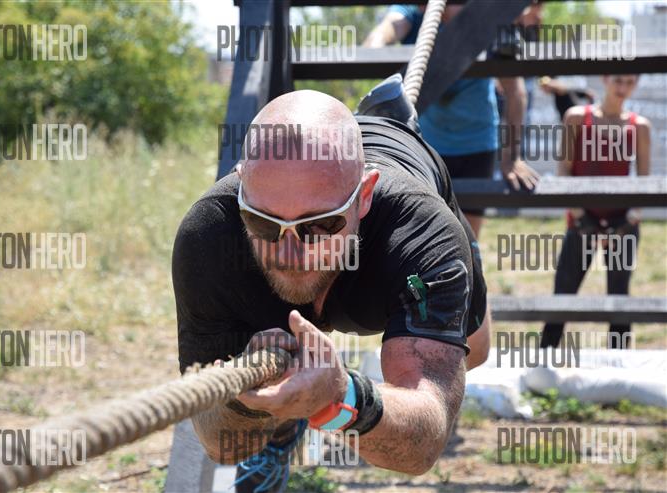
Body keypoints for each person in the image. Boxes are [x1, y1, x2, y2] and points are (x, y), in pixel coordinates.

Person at [173, 85, 491, 492]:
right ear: (241, 187)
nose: (290, 253)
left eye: (320, 225)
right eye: (263, 222)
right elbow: (218, 442)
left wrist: (340, 398)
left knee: (475, 349)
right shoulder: (210, 232)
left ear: (364, 197)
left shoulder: (422, 231)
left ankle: (389, 121)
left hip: (417, 171)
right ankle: (283, 423)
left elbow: (423, 444)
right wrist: (246, 402)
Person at [364, 4, 540, 237]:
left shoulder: (484, 17)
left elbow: (516, 93)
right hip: (428, 148)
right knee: (427, 231)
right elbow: (388, 29)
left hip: (477, 145)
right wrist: (376, 48)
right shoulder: (414, 14)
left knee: (469, 237)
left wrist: (512, 158)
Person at [540, 75, 651, 349]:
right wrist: (580, 217)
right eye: (618, 80)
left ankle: (619, 361)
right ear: (605, 79)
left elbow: (645, 180)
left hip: (622, 222)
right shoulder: (577, 117)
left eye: (630, 82)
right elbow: (564, 170)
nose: (622, 88)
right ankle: (543, 360)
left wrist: (629, 220)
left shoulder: (639, 126)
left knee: (619, 297)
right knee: (563, 292)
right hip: (581, 220)